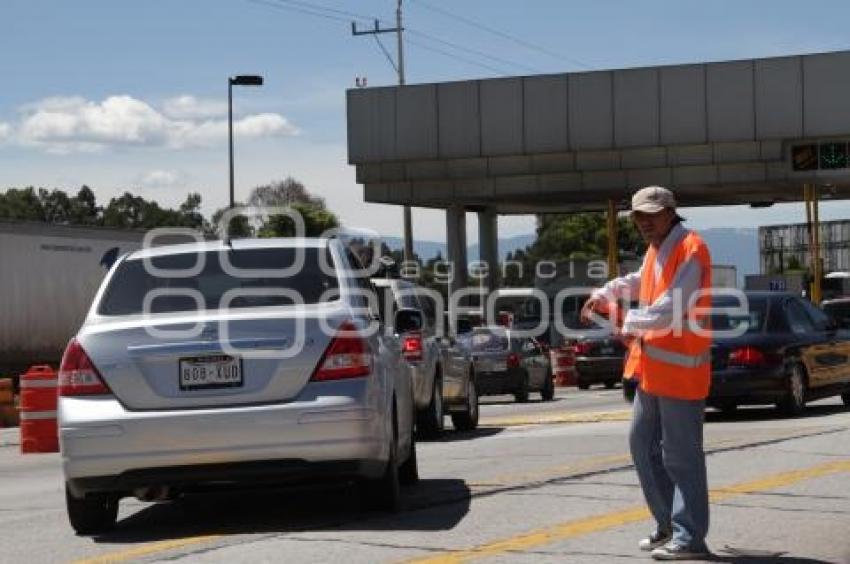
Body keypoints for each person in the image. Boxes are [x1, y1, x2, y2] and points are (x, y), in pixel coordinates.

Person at [581, 186, 712, 561]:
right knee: (642, 445)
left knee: (681, 456)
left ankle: (690, 538)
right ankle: (669, 526)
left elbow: (671, 307)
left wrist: (628, 321)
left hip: (681, 372)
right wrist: (606, 292)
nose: (644, 222)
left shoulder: (691, 248)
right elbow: (639, 281)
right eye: (639, 215)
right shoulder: (660, 247)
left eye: (651, 214)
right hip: (653, 370)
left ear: (671, 212)